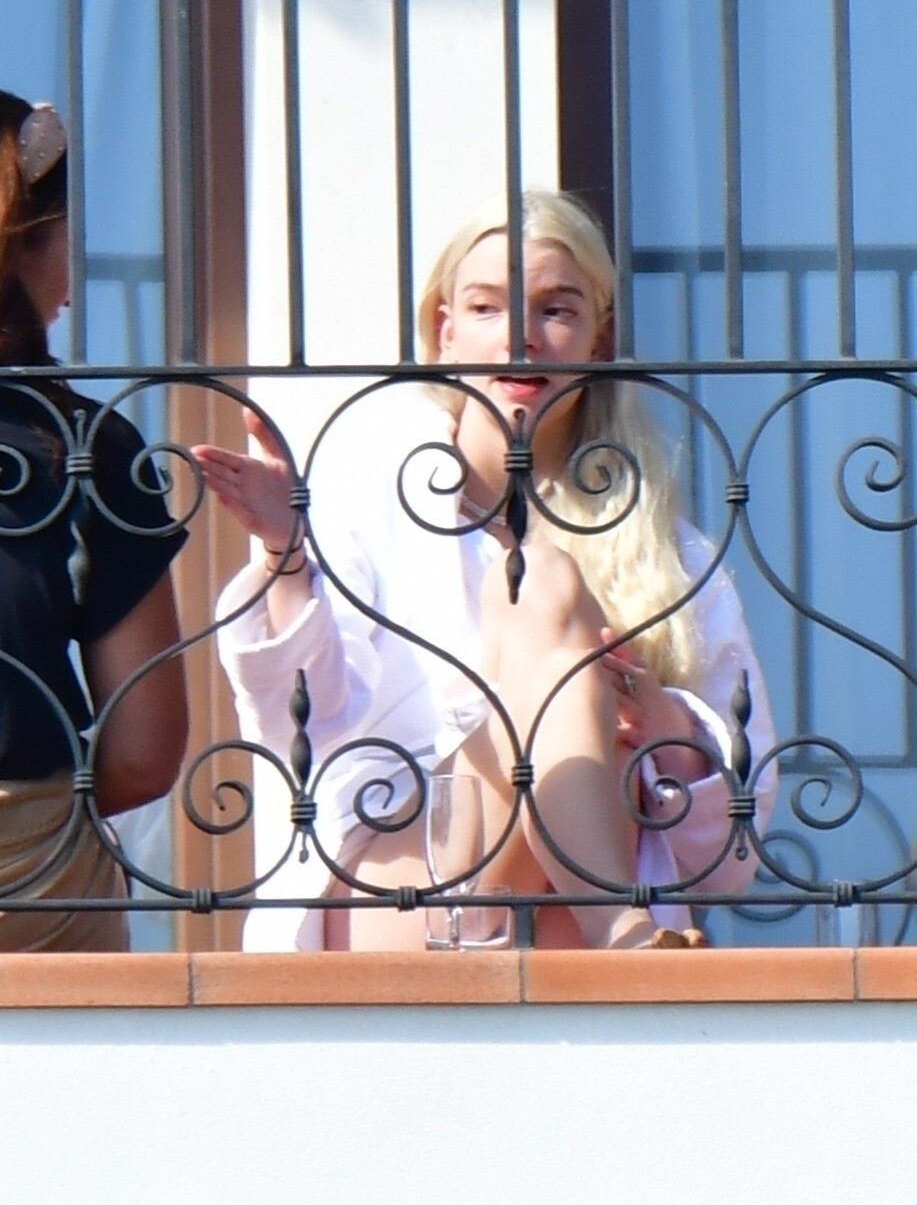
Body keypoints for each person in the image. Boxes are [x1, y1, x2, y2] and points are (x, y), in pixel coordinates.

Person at [194, 189, 776, 951]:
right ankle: (613, 920)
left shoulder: (669, 553)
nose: (519, 338)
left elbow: (731, 860)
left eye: (555, 310)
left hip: (549, 928)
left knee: (553, 629)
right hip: (404, 893)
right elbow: (294, 723)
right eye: (486, 308)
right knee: (540, 577)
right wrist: (286, 556)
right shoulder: (363, 504)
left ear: (599, 337)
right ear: (445, 331)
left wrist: (666, 730)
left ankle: (599, 917)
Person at [0, 89, 189, 950]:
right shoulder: (85, 447)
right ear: (23, 246)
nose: (73, 286)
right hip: (34, 884)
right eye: (66, 238)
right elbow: (143, 751)